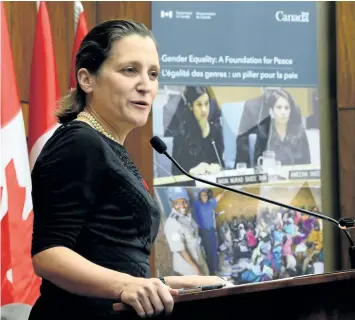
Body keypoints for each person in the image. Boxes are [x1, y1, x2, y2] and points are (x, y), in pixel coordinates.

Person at [28, 20, 225, 320]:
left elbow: (116, 261)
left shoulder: (107, 146)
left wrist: (185, 284)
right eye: (129, 70)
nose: (146, 84)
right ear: (87, 79)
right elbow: (49, 255)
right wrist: (127, 285)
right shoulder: (79, 142)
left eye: (153, 74)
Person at [237, 88, 311, 168]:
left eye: (286, 108)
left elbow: (307, 163)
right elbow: (257, 165)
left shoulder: (300, 132)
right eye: (279, 107)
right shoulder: (263, 133)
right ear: (271, 112)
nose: (283, 112)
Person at [171, 86, 225, 176]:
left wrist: (217, 167)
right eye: (199, 105)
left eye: (206, 104)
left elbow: (221, 162)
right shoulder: (181, 134)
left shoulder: (216, 130)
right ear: (191, 106)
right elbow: (175, 172)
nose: (204, 110)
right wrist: (191, 172)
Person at [164, 188, 209, 276]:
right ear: (172, 203)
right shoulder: (172, 222)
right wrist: (196, 269)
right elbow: (180, 249)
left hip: (199, 259)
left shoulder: (188, 216)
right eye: (177, 203)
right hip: (188, 268)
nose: (182, 206)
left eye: (184, 202)